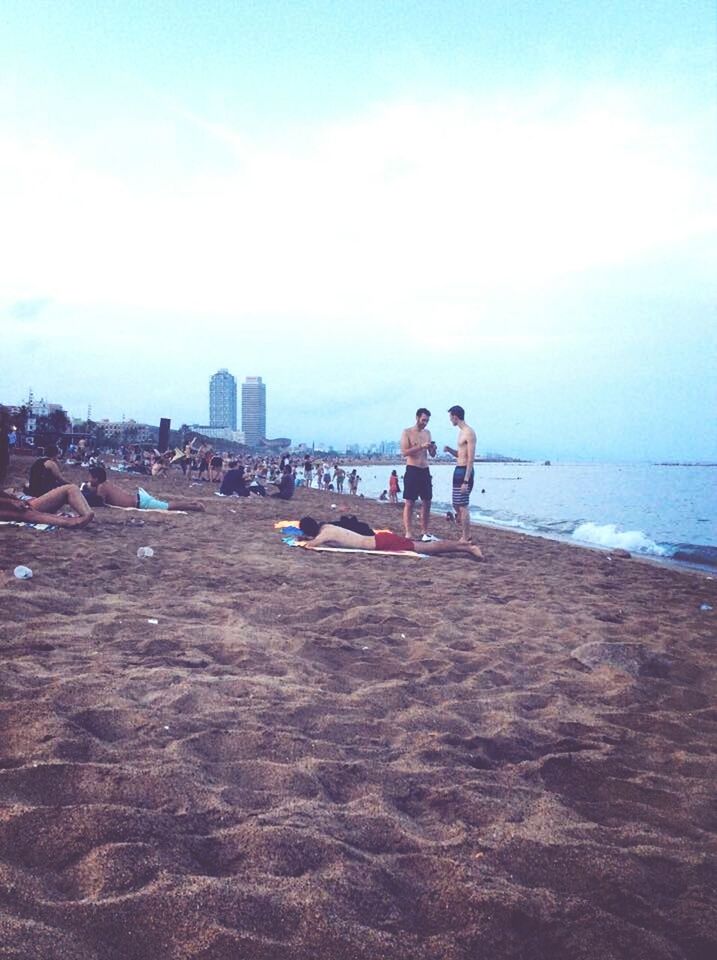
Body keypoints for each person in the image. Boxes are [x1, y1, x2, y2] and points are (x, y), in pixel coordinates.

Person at [298, 516, 483, 560]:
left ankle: (465, 546)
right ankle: (464, 545)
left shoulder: (324, 534)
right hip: (380, 539)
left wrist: (303, 541)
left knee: (428, 547)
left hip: (382, 543)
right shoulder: (327, 527)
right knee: (425, 546)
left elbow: (310, 545)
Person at [86, 466, 206, 512]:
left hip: (140, 503)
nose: (89, 480)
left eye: (91, 477)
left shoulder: (102, 487)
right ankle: (191, 504)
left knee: (168, 507)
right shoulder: (105, 484)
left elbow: (98, 501)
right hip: (139, 499)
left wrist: (87, 489)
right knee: (167, 505)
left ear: (96, 478)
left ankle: (193, 506)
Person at [400, 408, 437, 540]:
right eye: (423, 420)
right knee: (410, 502)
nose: (425, 423)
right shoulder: (407, 432)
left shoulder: (427, 433)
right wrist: (421, 446)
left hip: (425, 469)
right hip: (412, 468)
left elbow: (432, 455)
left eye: (427, 421)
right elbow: (404, 452)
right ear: (417, 418)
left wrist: (432, 449)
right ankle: (408, 531)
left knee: (427, 501)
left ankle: (424, 531)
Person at [443, 405, 477, 543]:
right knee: (456, 504)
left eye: (450, 417)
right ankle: (464, 529)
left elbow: (470, 458)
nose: (450, 420)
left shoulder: (469, 432)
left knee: (463, 505)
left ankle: (466, 536)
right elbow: (460, 455)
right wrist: (450, 450)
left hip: (465, 472)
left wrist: (466, 480)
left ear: (455, 417)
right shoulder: (460, 432)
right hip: (458, 469)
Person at [0, 486, 94, 528]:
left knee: (71, 488)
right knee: (26, 513)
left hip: (10, 504)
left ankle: (86, 514)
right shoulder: (50, 463)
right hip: (5, 508)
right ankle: (71, 522)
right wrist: (11, 501)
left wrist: (15, 499)